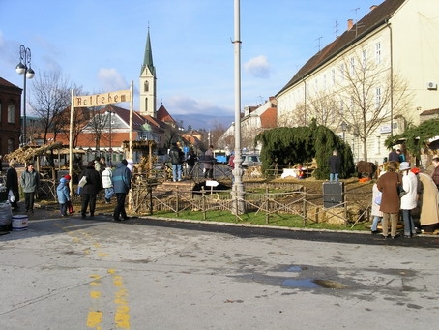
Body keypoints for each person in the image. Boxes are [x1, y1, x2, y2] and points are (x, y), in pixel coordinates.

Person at [377, 161, 401, 239]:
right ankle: (393, 233)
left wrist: (384, 191)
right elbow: (401, 186)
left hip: (386, 198)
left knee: (385, 217)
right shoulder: (397, 176)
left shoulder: (383, 176)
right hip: (394, 198)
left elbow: (379, 187)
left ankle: (385, 233)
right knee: (394, 218)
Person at [399, 162, 418, 238]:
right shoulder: (413, 175)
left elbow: (406, 189)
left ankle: (407, 232)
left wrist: (400, 192)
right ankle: (413, 230)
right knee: (409, 215)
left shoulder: (406, 177)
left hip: (407, 199)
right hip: (413, 197)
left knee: (405, 216)